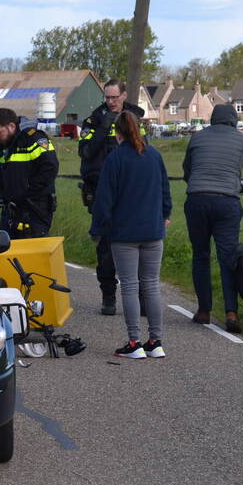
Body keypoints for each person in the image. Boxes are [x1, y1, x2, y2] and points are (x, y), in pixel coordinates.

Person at [183, 103, 243, 332]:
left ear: (212, 120)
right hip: (226, 202)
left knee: (201, 256)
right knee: (228, 258)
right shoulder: (242, 139)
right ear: (234, 120)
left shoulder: (196, 139)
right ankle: (231, 313)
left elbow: (188, 171)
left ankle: (204, 311)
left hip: (196, 200)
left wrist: (199, 188)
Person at [90, 110, 171, 359]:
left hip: (124, 233)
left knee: (129, 286)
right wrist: (165, 215)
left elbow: (104, 199)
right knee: (151, 285)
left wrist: (98, 228)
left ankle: (134, 341)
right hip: (153, 231)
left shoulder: (115, 159)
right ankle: (155, 341)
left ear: (118, 133)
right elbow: (165, 190)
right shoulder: (154, 156)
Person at [79, 79, 146, 315]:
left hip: (131, 192)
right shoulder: (93, 120)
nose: (110, 102)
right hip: (101, 192)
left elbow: (143, 148)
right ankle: (108, 296)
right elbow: (85, 151)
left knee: (137, 244)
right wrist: (102, 127)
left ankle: (142, 299)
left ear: (124, 95)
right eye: (107, 98)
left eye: (114, 97)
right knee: (106, 247)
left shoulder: (134, 117)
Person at [0, 108, 58, 238]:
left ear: (11, 126)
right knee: (6, 249)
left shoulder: (33, 138)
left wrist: (27, 192)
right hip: (11, 210)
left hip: (34, 209)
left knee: (33, 251)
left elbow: (50, 167)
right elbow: (1, 167)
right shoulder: (3, 145)